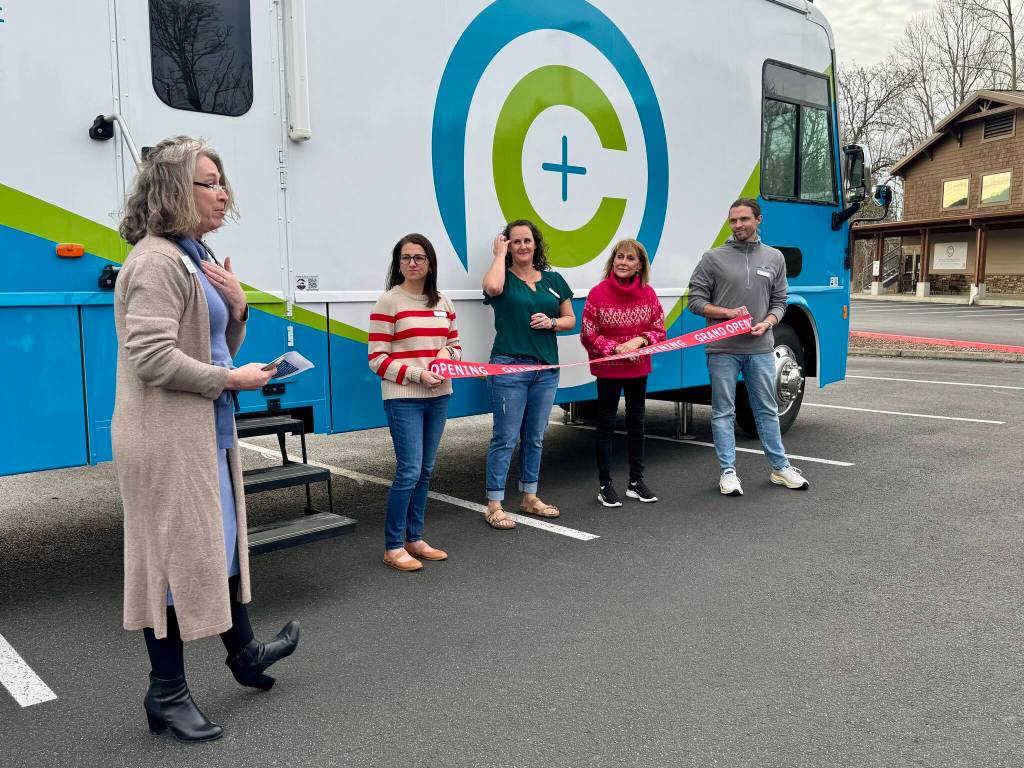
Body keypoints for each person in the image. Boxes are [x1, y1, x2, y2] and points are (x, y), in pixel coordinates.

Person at [113, 136, 300, 743]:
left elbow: (214, 347)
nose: (223, 194)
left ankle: (244, 655)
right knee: (171, 562)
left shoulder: (195, 257)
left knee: (216, 546)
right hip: (165, 439)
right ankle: (166, 693)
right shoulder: (156, 262)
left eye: (223, 182)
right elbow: (151, 358)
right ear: (175, 190)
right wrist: (231, 379)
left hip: (199, 431)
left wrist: (238, 309)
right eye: (210, 182)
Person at [687, 198, 810, 496]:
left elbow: (780, 302)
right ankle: (728, 473)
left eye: (744, 219)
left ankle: (780, 468)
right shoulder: (712, 258)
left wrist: (768, 323)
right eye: (733, 220)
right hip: (722, 349)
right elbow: (695, 301)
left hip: (761, 349)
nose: (738, 225)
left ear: (758, 220)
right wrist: (726, 313)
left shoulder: (774, 258)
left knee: (767, 410)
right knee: (723, 412)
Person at [368, 234, 461, 572]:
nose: (411, 263)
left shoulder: (444, 302)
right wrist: (417, 374)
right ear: (398, 264)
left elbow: (456, 347)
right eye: (405, 258)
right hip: (404, 398)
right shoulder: (388, 302)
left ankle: (414, 538)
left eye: (418, 257)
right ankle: (393, 546)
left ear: (430, 263)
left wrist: (446, 354)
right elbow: (376, 359)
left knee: (425, 471)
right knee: (409, 471)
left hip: (439, 395)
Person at [480, 220, 575, 529]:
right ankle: (494, 504)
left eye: (527, 240)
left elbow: (570, 319)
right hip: (509, 368)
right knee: (505, 437)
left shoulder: (554, 279)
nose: (522, 246)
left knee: (534, 437)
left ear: (536, 244)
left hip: (546, 370)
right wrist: (499, 255)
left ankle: (529, 497)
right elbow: (492, 288)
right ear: (508, 245)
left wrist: (551, 323)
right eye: (515, 241)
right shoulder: (502, 277)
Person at [580, 239, 666, 507]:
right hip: (608, 369)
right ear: (613, 260)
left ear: (640, 265)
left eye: (630, 258)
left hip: (638, 368)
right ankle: (605, 485)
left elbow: (659, 330)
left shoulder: (648, 294)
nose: (623, 262)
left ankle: (635, 482)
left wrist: (639, 341)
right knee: (605, 424)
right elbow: (588, 334)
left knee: (636, 422)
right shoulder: (597, 293)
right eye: (620, 257)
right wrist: (616, 348)